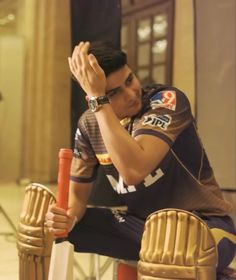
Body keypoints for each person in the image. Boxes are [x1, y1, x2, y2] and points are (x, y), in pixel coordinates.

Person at [46, 41, 236, 278]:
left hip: (202, 226)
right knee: (43, 229)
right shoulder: (89, 124)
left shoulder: (166, 101)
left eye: (129, 79)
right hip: (143, 227)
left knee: (174, 252)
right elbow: (77, 199)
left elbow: (134, 170)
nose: (131, 94)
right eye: (113, 92)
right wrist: (66, 218)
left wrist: (99, 98)